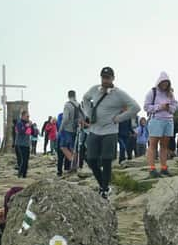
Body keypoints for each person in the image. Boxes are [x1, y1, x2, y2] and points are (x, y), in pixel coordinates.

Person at [82, 66, 140, 198]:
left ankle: (104, 189)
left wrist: (119, 118)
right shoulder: (94, 89)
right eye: (103, 77)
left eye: (108, 78)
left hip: (110, 130)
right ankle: (103, 184)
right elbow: (85, 98)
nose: (105, 80)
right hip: (94, 130)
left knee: (107, 160)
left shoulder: (119, 93)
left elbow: (135, 107)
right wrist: (88, 113)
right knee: (91, 159)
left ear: (113, 78)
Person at [60, 90, 84, 172]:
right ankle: (74, 166)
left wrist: (61, 128)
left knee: (63, 146)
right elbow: (83, 116)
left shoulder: (67, 105)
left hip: (68, 129)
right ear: (75, 95)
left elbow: (65, 118)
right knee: (74, 148)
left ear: (68, 96)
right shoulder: (78, 104)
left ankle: (72, 160)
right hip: (76, 129)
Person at [15, 110, 33, 178]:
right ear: (22, 116)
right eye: (27, 116)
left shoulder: (28, 123)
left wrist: (31, 126)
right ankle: (20, 175)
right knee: (22, 161)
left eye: (29, 116)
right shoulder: (19, 123)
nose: (28, 117)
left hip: (27, 144)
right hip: (20, 144)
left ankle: (24, 175)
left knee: (26, 160)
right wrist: (27, 126)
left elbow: (33, 133)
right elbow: (20, 131)